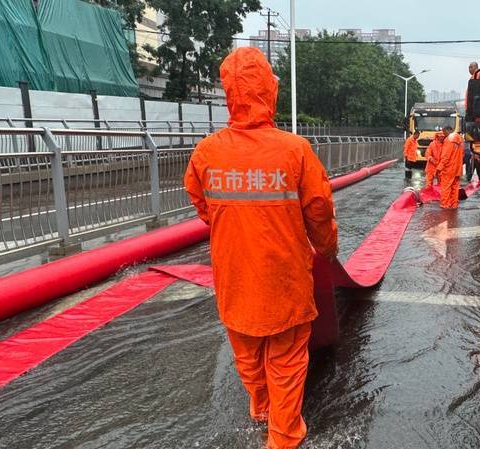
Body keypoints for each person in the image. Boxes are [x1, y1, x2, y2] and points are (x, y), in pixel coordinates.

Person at [183, 47, 338, 449]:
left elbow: (203, 205)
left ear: (229, 93)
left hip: (236, 281)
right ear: (269, 91)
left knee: (248, 357)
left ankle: (262, 409)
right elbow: (319, 210)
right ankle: (283, 437)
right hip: (284, 283)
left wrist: (235, 226)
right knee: (285, 362)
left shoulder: (206, 152)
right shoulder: (294, 150)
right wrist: (327, 250)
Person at [436, 126, 464, 209]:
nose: (444, 135)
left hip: (449, 168)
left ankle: (445, 204)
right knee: (455, 187)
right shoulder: (460, 139)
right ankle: (454, 204)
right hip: (458, 168)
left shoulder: (448, 140)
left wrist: (439, 168)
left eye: (444, 133)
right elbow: (462, 154)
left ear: (447, 131)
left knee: (445, 187)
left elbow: (446, 156)